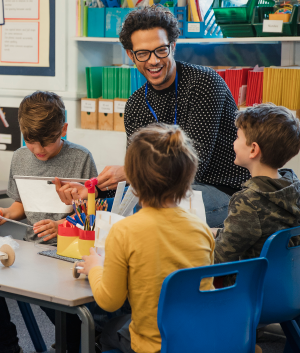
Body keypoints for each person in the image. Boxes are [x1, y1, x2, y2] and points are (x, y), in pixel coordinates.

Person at [55, 5, 250, 228]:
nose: (153, 61)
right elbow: (143, 178)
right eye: (143, 53)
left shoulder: (205, 83)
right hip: (168, 193)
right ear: (130, 55)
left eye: (161, 50)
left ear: (173, 46)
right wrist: (94, 192)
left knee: (140, 212)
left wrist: (129, 172)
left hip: (225, 191)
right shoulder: (136, 104)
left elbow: (194, 166)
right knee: (103, 210)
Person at [78, 124, 215, 353]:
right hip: (197, 340)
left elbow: (109, 301)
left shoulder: (124, 231)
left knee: (108, 329)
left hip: (152, 345)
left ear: (132, 177)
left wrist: (95, 267)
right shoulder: (202, 229)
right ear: (187, 176)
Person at [0, 91, 98, 353]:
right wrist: (7, 214)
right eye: (32, 142)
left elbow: (93, 214)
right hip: (32, 251)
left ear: (63, 129)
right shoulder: (21, 157)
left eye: (49, 142)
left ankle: (77, 342)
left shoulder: (81, 159)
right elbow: (22, 205)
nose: (40, 150)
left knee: (69, 315)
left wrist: (61, 227)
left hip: (69, 252)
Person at [213, 103, 300, 272]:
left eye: (237, 137)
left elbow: (219, 258)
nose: (234, 142)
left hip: (249, 287)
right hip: (286, 284)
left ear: (253, 149)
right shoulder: (293, 186)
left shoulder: (249, 201)